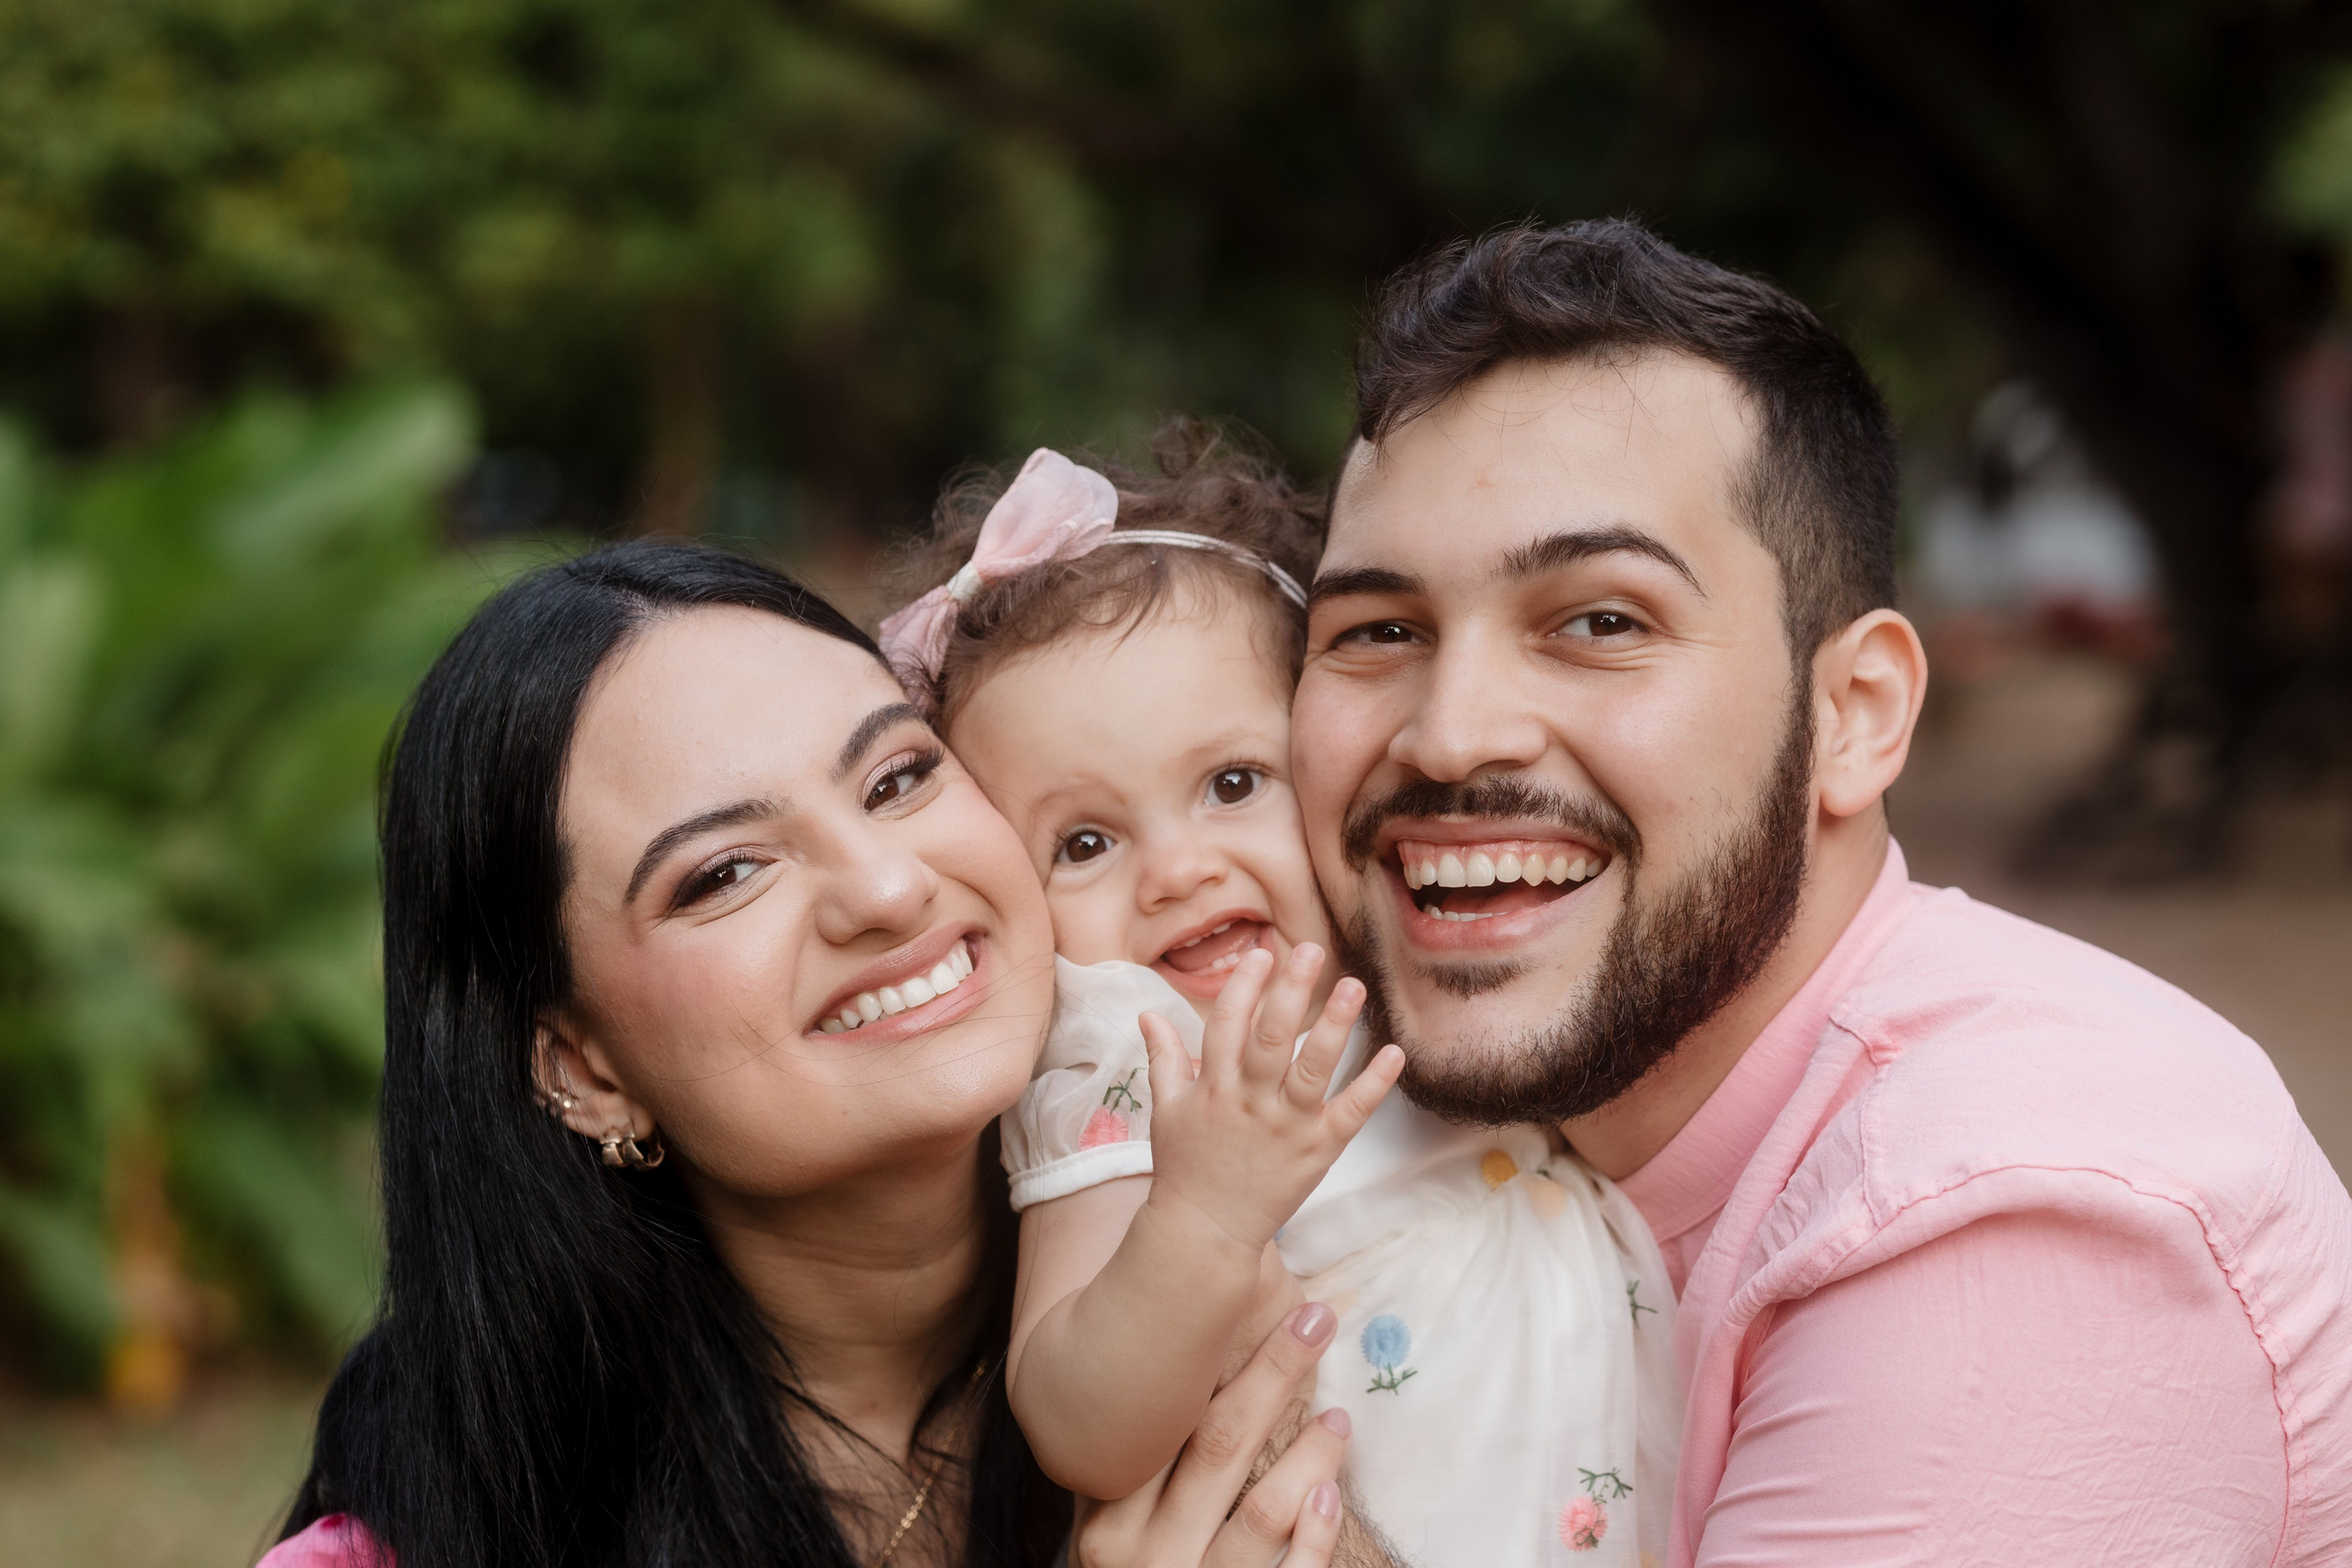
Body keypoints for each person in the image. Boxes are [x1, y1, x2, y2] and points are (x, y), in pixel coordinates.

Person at [1287, 219, 2352, 1566]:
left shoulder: (2002, 1217)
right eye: (1378, 630)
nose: (1448, 735)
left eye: (1601, 621)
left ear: (1855, 712)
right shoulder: (1425, 1147)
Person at [262, 542, 1358, 1568]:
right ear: (582, 1069)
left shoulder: (1272, 1222)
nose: (888, 887)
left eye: (895, 780)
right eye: (724, 873)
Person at [882, 429, 1679, 1566]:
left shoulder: (1412, 951)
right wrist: (1202, 1215)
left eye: (1231, 783)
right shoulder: (1125, 1059)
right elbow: (1078, 1427)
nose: (1178, 870)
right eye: (1085, 842)